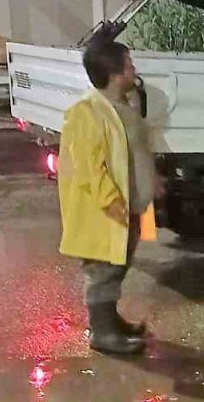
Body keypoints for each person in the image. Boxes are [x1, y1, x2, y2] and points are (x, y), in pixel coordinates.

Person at [57, 39, 162, 355]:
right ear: (115, 74)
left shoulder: (122, 107)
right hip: (106, 212)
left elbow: (132, 154)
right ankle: (102, 333)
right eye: (129, 65)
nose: (134, 70)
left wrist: (151, 182)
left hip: (128, 208)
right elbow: (90, 168)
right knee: (102, 272)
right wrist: (112, 204)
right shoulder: (86, 113)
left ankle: (109, 322)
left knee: (116, 269)